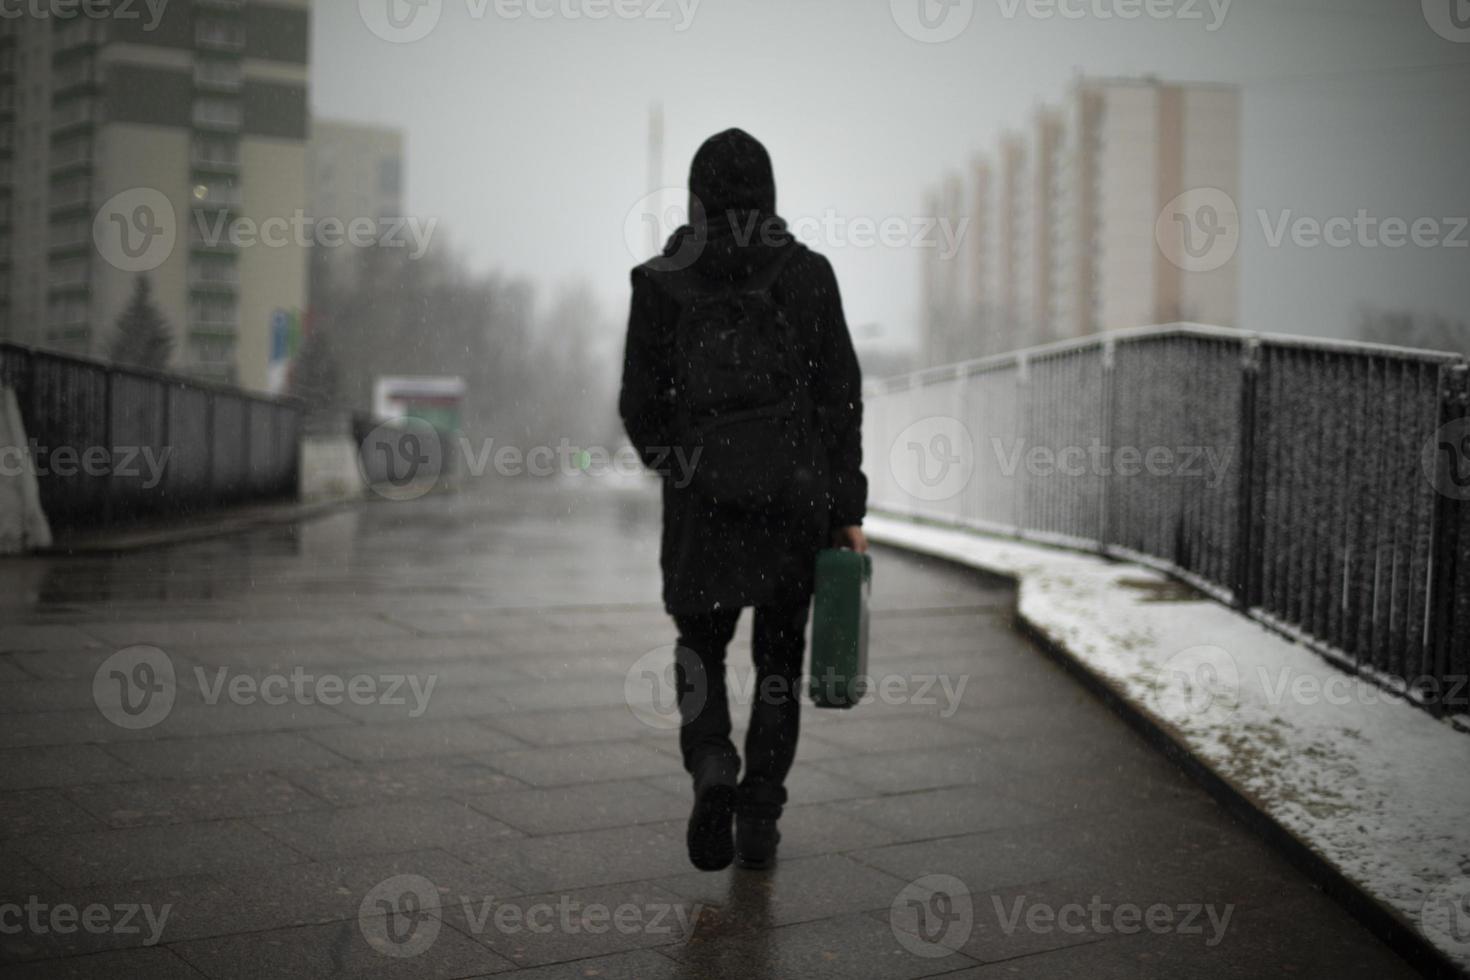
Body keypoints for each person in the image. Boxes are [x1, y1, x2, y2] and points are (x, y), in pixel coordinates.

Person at [619, 128, 868, 872]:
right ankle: (759, 815)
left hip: (703, 512)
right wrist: (845, 508)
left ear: (696, 196)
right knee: (780, 660)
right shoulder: (809, 276)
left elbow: (639, 408)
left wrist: (687, 468)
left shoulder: (662, 282)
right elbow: (841, 404)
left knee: (699, 650)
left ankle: (712, 768)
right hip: (792, 505)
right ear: (769, 193)